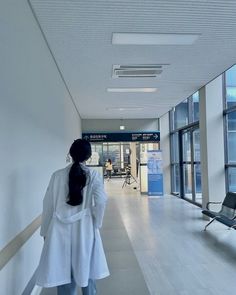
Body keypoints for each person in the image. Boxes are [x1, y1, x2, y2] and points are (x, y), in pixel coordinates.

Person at [36, 139, 109, 295]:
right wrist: (97, 222)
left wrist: (45, 231)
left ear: (70, 153)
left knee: (63, 274)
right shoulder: (94, 176)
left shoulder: (57, 176)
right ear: (88, 156)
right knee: (86, 270)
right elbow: (102, 201)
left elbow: (47, 204)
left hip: (58, 230)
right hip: (85, 229)